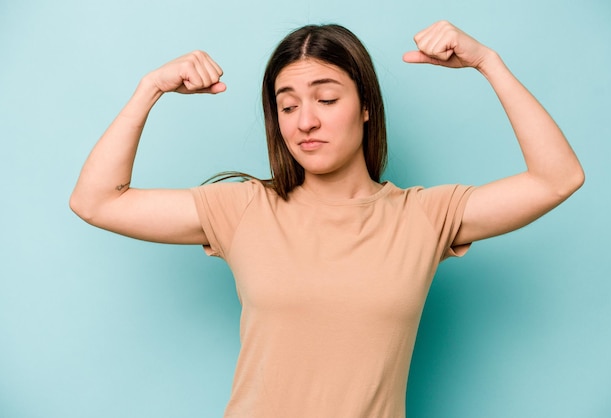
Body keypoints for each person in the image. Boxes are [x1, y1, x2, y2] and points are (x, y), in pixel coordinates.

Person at [70, 21, 584, 418]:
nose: (305, 121)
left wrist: (487, 62)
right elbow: (96, 201)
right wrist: (149, 88)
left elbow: (557, 178)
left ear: (365, 106)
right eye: (287, 106)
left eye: (327, 99)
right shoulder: (244, 208)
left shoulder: (426, 216)